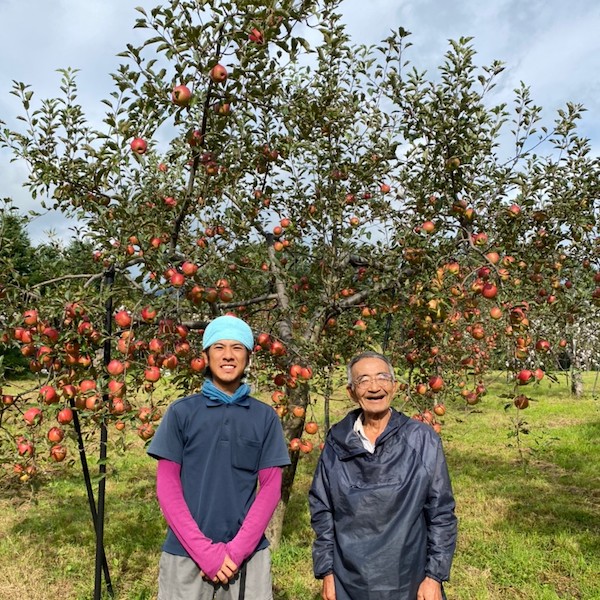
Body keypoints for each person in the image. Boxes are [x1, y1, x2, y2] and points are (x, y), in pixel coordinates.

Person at [147, 315, 291, 600]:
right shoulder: (182, 413)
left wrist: (236, 551)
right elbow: (167, 487)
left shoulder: (265, 417)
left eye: (237, 348)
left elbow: (271, 488)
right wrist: (205, 552)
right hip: (186, 554)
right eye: (219, 347)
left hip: (247, 557)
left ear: (249, 356)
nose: (228, 355)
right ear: (205, 356)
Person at [309, 351, 457, 600]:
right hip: (349, 579)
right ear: (351, 392)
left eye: (382, 377)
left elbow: (441, 512)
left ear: (395, 386)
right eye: (363, 380)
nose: (374, 387)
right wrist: (327, 571)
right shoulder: (337, 441)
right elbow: (322, 510)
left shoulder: (420, 439)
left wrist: (434, 577)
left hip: (408, 576)